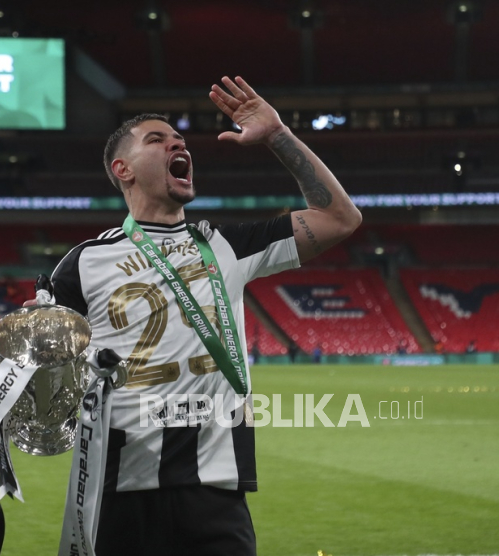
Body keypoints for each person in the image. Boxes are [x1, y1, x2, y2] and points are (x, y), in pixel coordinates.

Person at [41, 76, 361, 555]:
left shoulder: (225, 246)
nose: (176, 143)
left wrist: (277, 135)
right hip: (118, 491)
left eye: (180, 140)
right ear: (122, 169)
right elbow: (46, 384)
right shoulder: (80, 265)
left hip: (216, 492)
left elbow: (340, 218)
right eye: (158, 139)